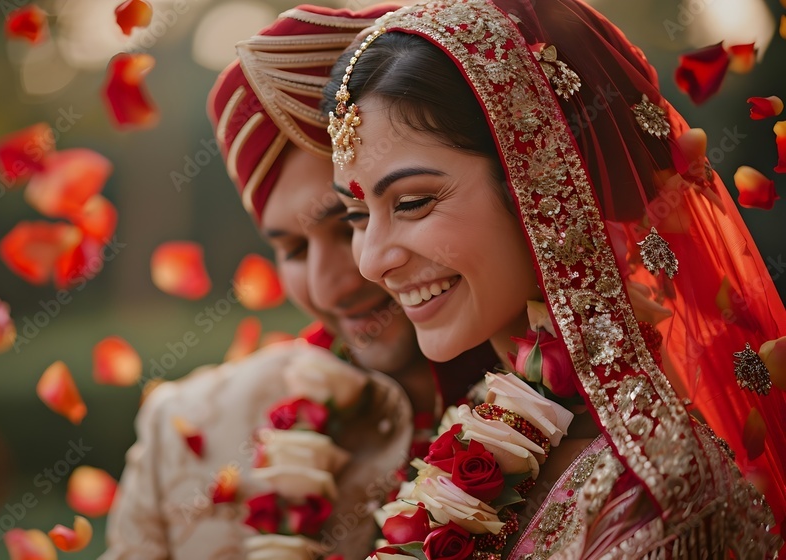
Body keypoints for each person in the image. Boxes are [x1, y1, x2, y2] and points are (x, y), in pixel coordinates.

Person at [324, 0, 785, 557]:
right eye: (356, 216)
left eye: (414, 202)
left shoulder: (654, 499)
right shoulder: (482, 420)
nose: (371, 261)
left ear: (540, 187)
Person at [101, 5, 497, 559]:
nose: (332, 285)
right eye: (290, 248)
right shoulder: (189, 431)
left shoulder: (583, 428)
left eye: (349, 222)